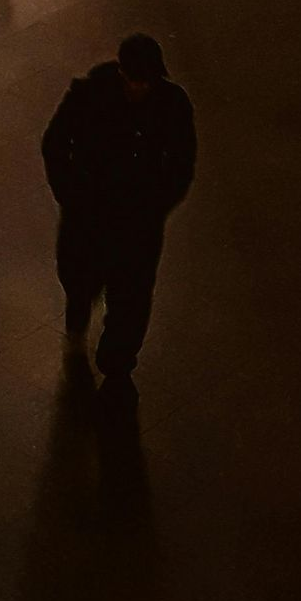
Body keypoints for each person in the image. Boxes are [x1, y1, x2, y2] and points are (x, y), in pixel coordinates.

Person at [41, 33, 196, 384]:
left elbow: (182, 164)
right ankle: (81, 321)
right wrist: (70, 193)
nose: (141, 88)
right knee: (82, 279)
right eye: (135, 80)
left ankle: (117, 361)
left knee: (132, 296)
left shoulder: (172, 104)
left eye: (147, 81)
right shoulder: (90, 96)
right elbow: (54, 143)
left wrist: (156, 205)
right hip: (92, 213)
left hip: (134, 221)